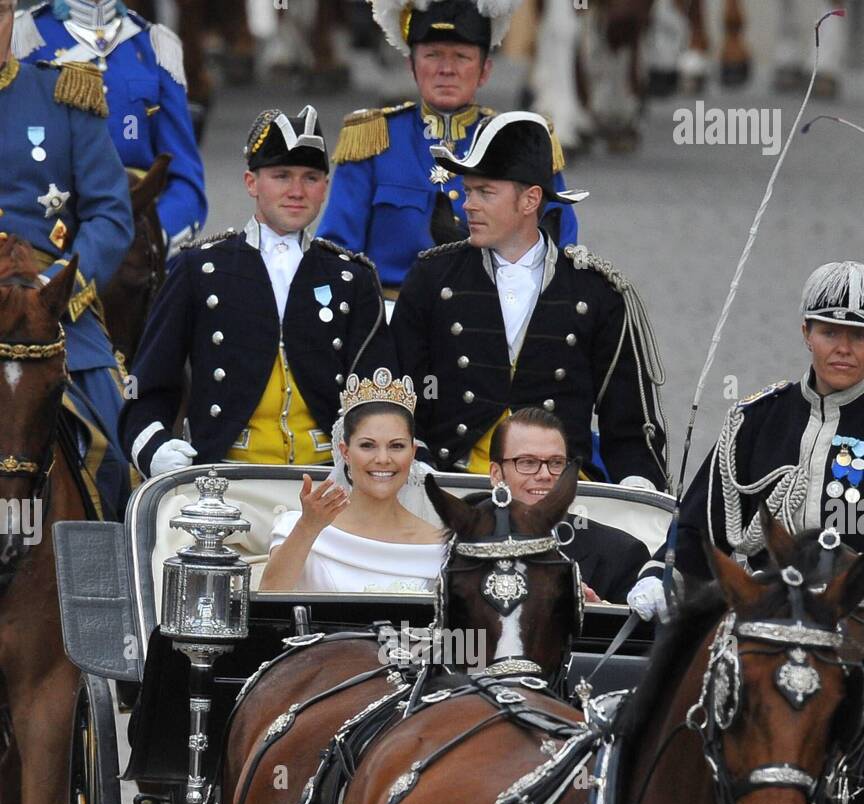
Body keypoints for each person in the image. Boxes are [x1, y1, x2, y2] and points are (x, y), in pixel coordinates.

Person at [120, 105, 396, 481]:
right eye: (281, 176)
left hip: (329, 482)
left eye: (311, 177)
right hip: (224, 478)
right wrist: (153, 449)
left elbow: (380, 394)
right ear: (252, 183)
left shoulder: (352, 277)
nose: (297, 191)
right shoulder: (199, 270)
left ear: (325, 188)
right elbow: (147, 386)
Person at [392, 110, 667, 484]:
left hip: (560, 492)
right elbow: (400, 391)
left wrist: (638, 485)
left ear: (530, 200)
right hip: (454, 482)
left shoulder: (596, 292)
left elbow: (630, 425)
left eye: (485, 192)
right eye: (469, 190)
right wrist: (418, 459)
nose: (468, 204)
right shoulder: (431, 279)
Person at [628, 261, 864, 621]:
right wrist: (661, 575)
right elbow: (699, 530)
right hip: (764, 615)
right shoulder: (754, 420)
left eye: (858, 336)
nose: (844, 348)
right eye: (830, 332)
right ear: (806, 332)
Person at [317, 0, 579, 295]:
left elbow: (560, 253)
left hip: (493, 322)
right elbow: (334, 255)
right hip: (393, 324)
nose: (447, 69)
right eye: (432, 55)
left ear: (484, 70)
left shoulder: (522, 142)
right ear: (412, 66)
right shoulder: (373, 141)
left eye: (462, 57)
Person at [0, 0, 134, 517]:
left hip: (53, 307)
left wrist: (56, 283)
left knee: (117, 446)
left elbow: (111, 216)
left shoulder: (62, 95)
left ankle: (111, 585)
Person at [13, 0, 207, 257]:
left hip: (138, 241)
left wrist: (153, 238)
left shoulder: (154, 45)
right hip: (51, 236)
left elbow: (185, 179)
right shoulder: (22, 38)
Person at [261, 369, 444, 594]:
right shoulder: (296, 525)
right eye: (367, 445)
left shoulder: (439, 545)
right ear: (345, 452)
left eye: (396, 446)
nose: (383, 459)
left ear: (413, 453)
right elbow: (270, 595)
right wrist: (308, 528)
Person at [488, 408, 649, 603]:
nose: (545, 475)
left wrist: (596, 613)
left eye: (556, 463)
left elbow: (638, 632)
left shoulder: (621, 555)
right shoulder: (453, 545)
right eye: (527, 462)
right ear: (496, 474)